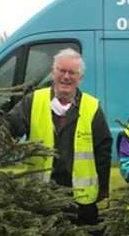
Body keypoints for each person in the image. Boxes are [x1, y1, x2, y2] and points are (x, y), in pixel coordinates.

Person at [6, 48, 112, 225]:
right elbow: (11, 127)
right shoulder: (32, 101)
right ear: (53, 72)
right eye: (62, 71)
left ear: (80, 78)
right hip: (41, 196)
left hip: (81, 200)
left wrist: (102, 190)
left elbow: (103, 151)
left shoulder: (92, 107)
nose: (66, 77)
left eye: (72, 73)